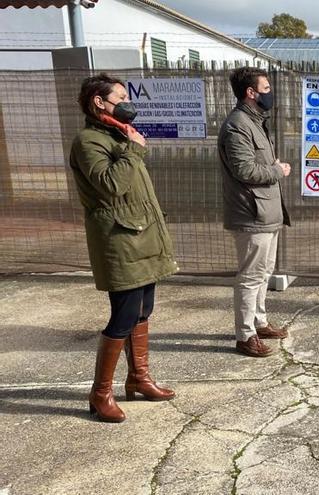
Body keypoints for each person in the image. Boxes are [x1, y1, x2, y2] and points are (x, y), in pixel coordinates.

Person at [69, 74, 178, 422]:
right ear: (99, 102)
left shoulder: (116, 134)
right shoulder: (88, 141)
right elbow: (111, 186)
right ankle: (100, 394)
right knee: (123, 316)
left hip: (143, 236)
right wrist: (132, 150)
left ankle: (138, 379)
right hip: (120, 241)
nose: (127, 103)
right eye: (119, 97)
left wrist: (129, 145)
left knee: (143, 310)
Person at [218, 67, 291, 357]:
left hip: (266, 211)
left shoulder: (255, 122)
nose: (269, 93)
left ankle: (259, 322)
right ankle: (245, 335)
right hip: (251, 213)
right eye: (266, 88)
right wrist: (276, 170)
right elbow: (244, 169)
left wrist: (271, 167)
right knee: (251, 276)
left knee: (264, 272)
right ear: (251, 92)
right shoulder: (237, 125)